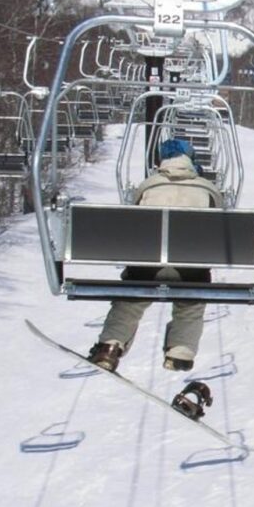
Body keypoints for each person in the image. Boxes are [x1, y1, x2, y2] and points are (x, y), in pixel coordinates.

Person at [87, 138, 224, 373]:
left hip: (148, 264)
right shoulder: (207, 188)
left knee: (130, 301)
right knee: (190, 303)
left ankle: (109, 347)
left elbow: (136, 223)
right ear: (191, 161)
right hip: (190, 266)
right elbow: (218, 223)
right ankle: (180, 352)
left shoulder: (149, 185)